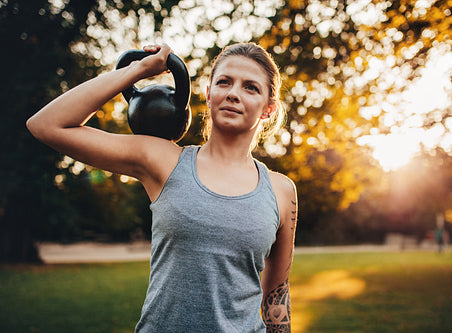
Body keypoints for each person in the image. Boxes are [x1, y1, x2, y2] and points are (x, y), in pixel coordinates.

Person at [27, 42, 297, 333]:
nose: (233, 93)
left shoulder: (281, 191)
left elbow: (277, 294)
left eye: (251, 88)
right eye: (224, 82)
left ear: (268, 108)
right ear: (208, 94)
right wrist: (138, 69)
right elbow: (46, 125)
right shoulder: (163, 160)